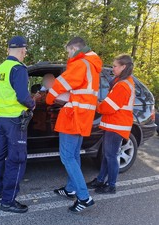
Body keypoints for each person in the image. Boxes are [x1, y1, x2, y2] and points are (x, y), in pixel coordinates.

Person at [46, 37, 103, 213]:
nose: (68, 55)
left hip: (72, 117)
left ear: (74, 48)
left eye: (68, 51)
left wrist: (48, 97)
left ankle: (84, 197)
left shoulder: (80, 64)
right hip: (81, 118)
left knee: (67, 157)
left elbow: (59, 85)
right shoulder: (92, 66)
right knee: (74, 155)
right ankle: (71, 188)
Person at [0, 35, 36, 213]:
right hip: (15, 121)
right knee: (17, 159)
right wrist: (33, 103)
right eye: (25, 51)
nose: (25, 54)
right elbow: (22, 97)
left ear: (8, 49)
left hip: (1, 118)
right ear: (23, 50)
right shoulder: (18, 69)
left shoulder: (1, 68)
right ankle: (8, 201)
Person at [86, 54, 135, 194]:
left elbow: (108, 107)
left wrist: (96, 104)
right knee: (108, 155)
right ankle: (101, 180)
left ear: (123, 67)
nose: (112, 68)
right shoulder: (122, 82)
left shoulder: (123, 85)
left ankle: (111, 185)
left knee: (111, 156)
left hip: (117, 125)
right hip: (114, 124)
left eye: (114, 66)